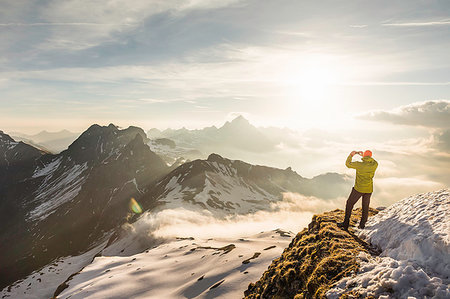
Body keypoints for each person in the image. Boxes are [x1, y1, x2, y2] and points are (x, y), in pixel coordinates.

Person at [340, 150, 378, 231]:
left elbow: (348, 164)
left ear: (364, 156)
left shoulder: (359, 164)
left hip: (358, 189)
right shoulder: (374, 165)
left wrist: (351, 155)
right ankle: (362, 225)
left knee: (349, 203)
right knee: (365, 207)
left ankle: (345, 224)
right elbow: (374, 161)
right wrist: (364, 156)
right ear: (370, 156)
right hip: (369, 189)